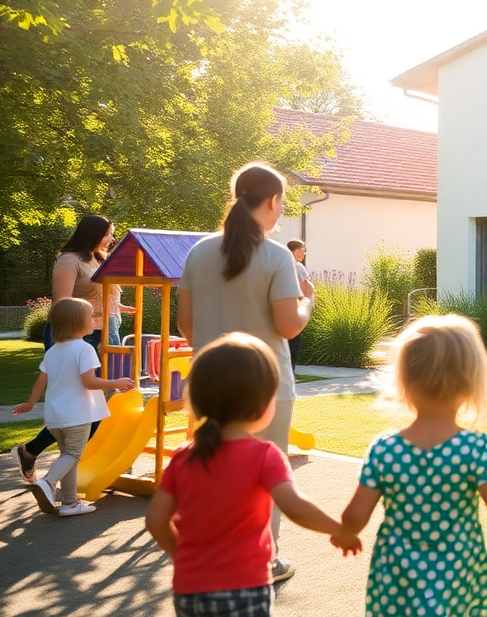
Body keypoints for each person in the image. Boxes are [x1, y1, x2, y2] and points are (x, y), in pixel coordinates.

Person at [338, 315, 487, 616]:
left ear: (403, 381)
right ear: (470, 384)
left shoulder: (384, 448)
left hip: (395, 581)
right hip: (458, 579)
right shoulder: (473, 449)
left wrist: (345, 531)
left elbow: (354, 516)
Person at [146, 333, 358, 617]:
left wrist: (182, 557)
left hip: (190, 589)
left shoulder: (184, 456)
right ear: (262, 403)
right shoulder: (264, 456)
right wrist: (338, 529)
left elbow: (156, 521)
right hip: (245, 586)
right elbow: (295, 507)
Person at [178, 162, 315, 583]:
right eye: (282, 202)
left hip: (209, 383)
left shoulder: (199, 252)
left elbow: (186, 325)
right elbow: (288, 325)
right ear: (272, 201)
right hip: (266, 384)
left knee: (216, 472)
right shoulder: (276, 256)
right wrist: (308, 303)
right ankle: (263, 560)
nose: (282, 210)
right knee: (266, 475)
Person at [11, 214, 116, 484]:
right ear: (93, 234)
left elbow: (102, 297)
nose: (111, 239)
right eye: (107, 234)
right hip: (74, 335)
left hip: (102, 333)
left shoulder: (99, 259)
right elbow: (62, 306)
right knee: (82, 406)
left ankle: (36, 453)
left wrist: (121, 310)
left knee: (101, 405)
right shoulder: (69, 261)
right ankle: (59, 463)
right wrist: (90, 324)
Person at [12, 298, 134, 517]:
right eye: (90, 316)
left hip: (55, 417)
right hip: (77, 415)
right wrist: (117, 383)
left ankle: (70, 503)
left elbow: (41, 381)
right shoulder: (85, 349)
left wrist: (30, 403)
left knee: (67, 456)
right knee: (73, 455)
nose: (93, 320)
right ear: (78, 323)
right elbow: (89, 382)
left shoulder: (53, 351)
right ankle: (48, 482)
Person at [286, 239, 310, 368]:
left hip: (281, 306)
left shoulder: (281, 264)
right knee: (293, 343)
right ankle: (291, 371)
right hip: (294, 308)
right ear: (295, 251)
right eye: (302, 251)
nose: (304, 254)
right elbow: (302, 289)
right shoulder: (298, 267)